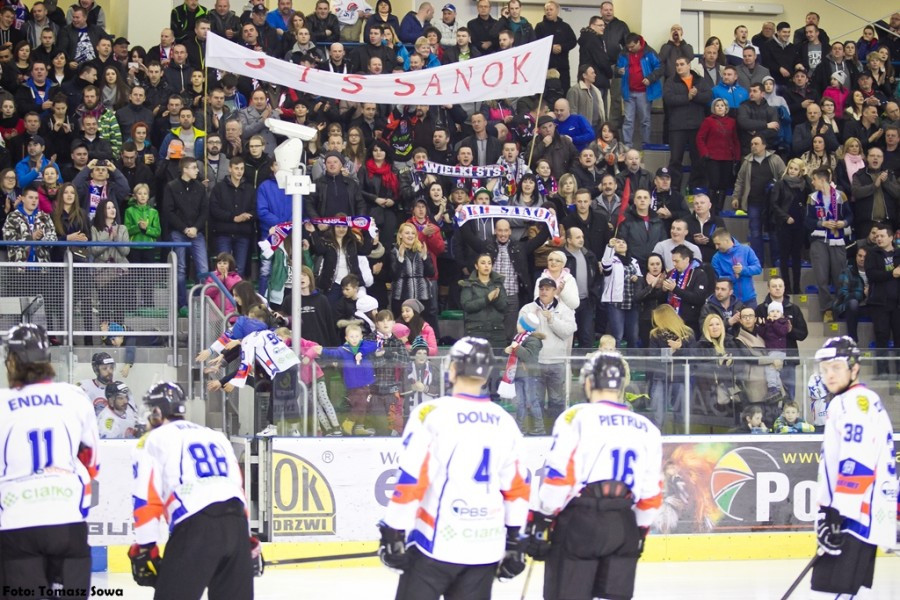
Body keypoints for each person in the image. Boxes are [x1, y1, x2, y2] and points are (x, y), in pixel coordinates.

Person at [378, 337, 530, 599]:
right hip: (485, 546)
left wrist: (393, 530)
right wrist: (515, 539)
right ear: (485, 375)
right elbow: (517, 489)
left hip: (436, 544)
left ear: (452, 369)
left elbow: (412, 480)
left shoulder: (432, 414)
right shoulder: (505, 421)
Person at [524, 351, 662, 600]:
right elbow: (651, 493)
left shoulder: (576, 417)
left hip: (580, 522)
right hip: (623, 525)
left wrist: (543, 519)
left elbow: (558, 479)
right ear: (621, 384)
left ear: (588, 382)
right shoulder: (647, 428)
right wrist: (640, 531)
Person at [129, 382, 258, 598]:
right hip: (235, 524)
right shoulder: (216, 436)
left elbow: (146, 499)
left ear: (158, 411)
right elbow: (237, 489)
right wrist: (246, 539)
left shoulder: (152, 440)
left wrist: (145, 547)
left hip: (196, 526)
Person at [0, 323, 100, 597]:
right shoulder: (75, 397)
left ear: (12, 360)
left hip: (17, 525)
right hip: (66, 522)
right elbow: (91, 462)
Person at [810, 336, 897, 599]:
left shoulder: (852, 402)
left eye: (836, 367)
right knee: (840, 593)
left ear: (854, 368)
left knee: (831, 594)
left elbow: (856, 462)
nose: (829, 375)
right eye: (824, 369)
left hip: (853, 516)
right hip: (859, 513)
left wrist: (837, 515)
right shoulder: (862, 400)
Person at [806, 167, 851, 323]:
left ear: (822, 180)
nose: (812, 182)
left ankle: (840, 308)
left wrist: (843, 223)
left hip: (837, 240)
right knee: (822, 278)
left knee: (840, 278)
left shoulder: (840, 196)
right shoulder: (812, 198)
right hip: (819, 240)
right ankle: (827, 309)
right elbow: (807, 221)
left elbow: (850, 215)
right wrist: (821, 223)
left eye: (814, 179)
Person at [459, 252, 507, 349]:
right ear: (476, 266)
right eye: (483, 263)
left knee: (497, 363)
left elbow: (504, 307)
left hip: (497, 333)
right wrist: (487, 299)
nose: (486, 266)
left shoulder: (498, 284)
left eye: (489, 263)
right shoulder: (468, 284)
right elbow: (467, 306)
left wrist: (495, 299)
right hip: (475, 332)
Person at [834, 246, 869, 343]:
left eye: (865, 257)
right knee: (853, 303)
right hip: (846, 306)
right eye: (860, 256)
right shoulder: (847, 271)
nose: (862, 259)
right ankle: (853, 339)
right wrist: (863, 294)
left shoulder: (873, 272)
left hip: (867, 305)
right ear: (856, 256)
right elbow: (843, 294)